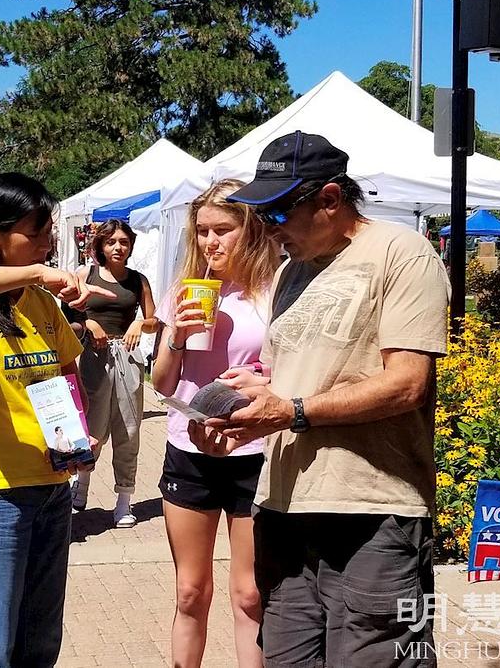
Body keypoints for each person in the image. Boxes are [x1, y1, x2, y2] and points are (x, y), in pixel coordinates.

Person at [190, 131, 450, 666]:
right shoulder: (290, 270)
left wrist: (292, 411)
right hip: (285, 507)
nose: (266, 227)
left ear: (330, 199)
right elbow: (296, 380)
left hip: (373, 511)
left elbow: (407, 382)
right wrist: (243, 403)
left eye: (278, 212)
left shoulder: (402, 253)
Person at [0, 172, 114, 667]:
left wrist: (78, 432)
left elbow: (65, 370)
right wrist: (35, 273)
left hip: (52, 486)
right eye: (36, 230)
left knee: (39, 640)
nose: (48, 240)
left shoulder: (41, 303)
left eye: (48, 228)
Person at [151, 179, 279, 668]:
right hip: (191, 450)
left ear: (251, 229)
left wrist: (262, 379)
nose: (210, 242)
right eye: (202, 231)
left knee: (250, 594)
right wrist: (177, 337)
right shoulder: (186, 291)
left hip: (255, 453)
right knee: (189, 591)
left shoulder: (274, 293)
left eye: (223, 230)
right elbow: (163, 384)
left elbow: (291, 370)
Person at [68, 219, 157, 526]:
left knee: (128, 428)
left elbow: (154, 319)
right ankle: (82, 482)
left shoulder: (137, 280)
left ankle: (124, 499)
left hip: (129, 356)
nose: (118, 247)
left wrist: (139, 324)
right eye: (111, 242)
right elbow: (68, 311)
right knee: (93, 427)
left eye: (124, 242)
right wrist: (89, 322)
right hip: (94, 356)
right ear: (101, 247)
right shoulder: (86, 274)